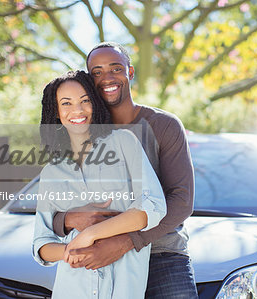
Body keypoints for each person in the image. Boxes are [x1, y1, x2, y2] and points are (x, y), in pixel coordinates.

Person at [52, 42, 199, 298]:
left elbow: (182, 200)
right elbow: (54, 206)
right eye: (96, 72)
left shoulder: (163, 126)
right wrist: (67, 220)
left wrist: (125, 242)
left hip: (161, 256)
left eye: (115, 68)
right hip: (100, 262)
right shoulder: (79, 133)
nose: (106, 77)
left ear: (130, 73)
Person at [32, 70, 166, 299]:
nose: (78, 110)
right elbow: (41, 243)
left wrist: (90, 234)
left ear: (94, 104)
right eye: (67, 103)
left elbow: (152, 207)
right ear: (56, 112)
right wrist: (69, 252)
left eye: (85, 100)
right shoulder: (51, 172)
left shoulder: (124, 143)